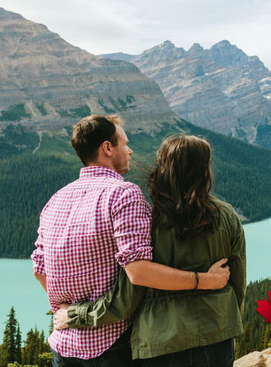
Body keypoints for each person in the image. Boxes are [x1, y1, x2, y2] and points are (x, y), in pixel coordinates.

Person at [31, 116, 230, 367]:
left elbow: (39, 269)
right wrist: (204, 281)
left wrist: (69, 309)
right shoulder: (123, 194)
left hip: (64, 345)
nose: (130, 150)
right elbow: (139, 272)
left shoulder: (56, 200)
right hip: (113, 345)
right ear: (107, 148)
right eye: (125, 143)